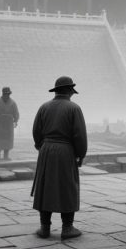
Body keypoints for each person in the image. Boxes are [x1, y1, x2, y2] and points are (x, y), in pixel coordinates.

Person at [31, 76, 87, 240]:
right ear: (69, 91)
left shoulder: (44, 107)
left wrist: (41, 146)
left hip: (46, 150)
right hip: (65, 151)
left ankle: (44, 227)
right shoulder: (74, 108)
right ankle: (67, 228)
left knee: (45, 186)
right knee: (67, 187)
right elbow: (79, 135)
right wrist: (80, 154)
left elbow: (36, 131)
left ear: (56, 91)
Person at [0, 87, 20, 160]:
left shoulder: (13, 103)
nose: (7, 95)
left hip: (8, 125)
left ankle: (6, 156)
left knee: (7, 141)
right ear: (3, 94)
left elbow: (16, 113)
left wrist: (16, 121)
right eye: (6, 94)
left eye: (8, 94)